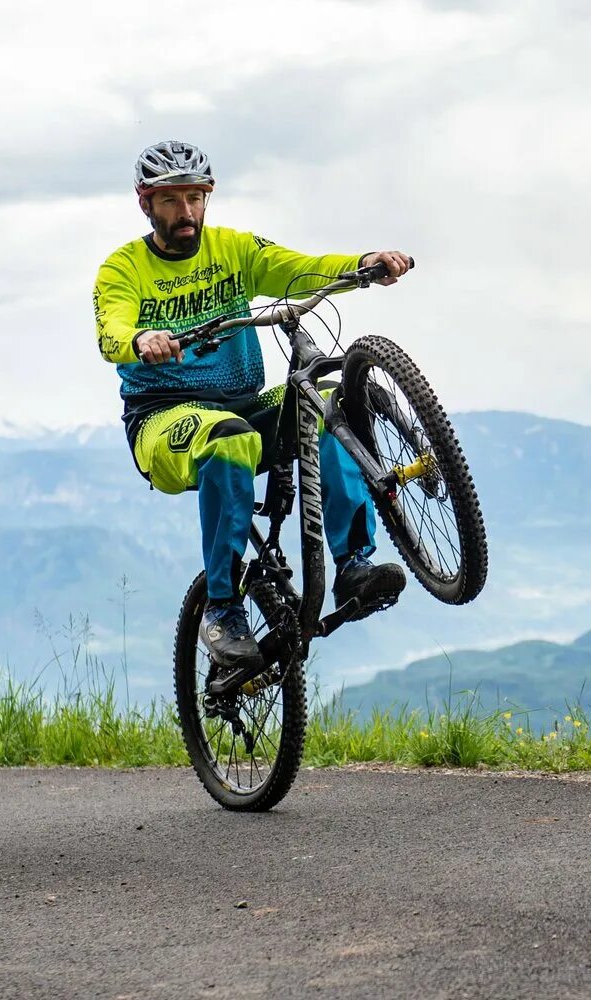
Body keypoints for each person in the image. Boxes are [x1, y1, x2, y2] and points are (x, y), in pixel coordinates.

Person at [94, 139, 413, 672]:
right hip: (163, 421)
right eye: (171, 200)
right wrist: (142, 337)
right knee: (230, 436)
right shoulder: (122, 269)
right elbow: (112, 331)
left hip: (244, 405)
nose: (187, 212)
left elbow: (300, 269)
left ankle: (354, 563)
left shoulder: (234, 250)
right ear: (145, 203)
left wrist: (363, 264)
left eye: (196, 198)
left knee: (329, 402)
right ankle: (222, 608)